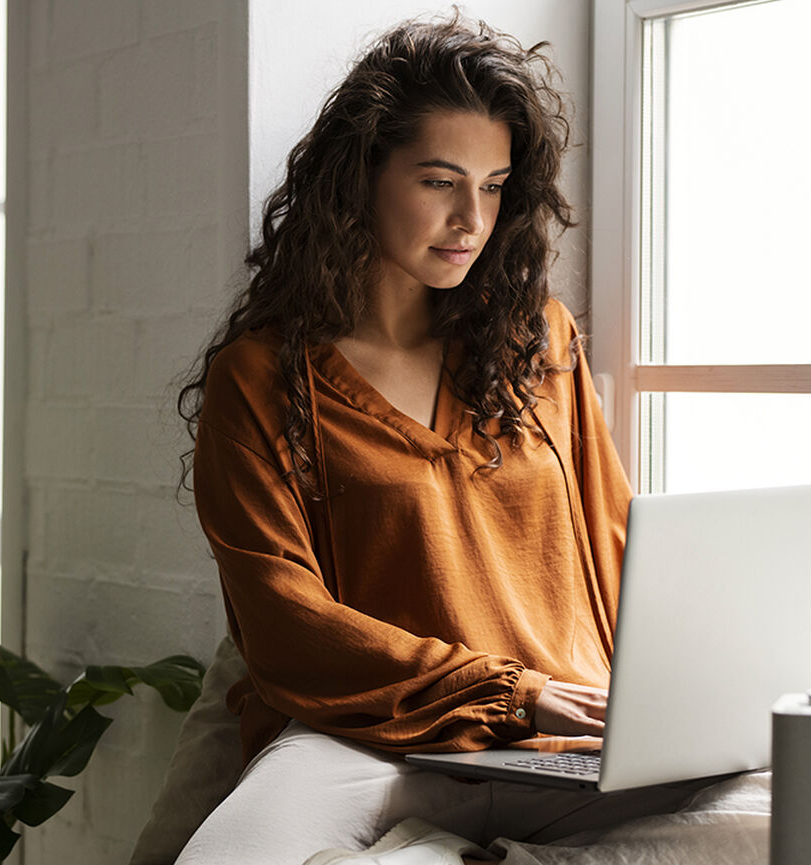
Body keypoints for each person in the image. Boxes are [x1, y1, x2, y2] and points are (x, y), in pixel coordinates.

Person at [172, 13, 708, 864]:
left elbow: (616, 542)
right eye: (440, 180)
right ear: (362, 177)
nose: (471, 217)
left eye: (494, 186)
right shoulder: (264, 378)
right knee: (225, 857)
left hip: (568, 740)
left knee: (792, 809)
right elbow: (286, 627)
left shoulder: (539, 341)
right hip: (372, 741)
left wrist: (671, 696)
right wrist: (509, 693)